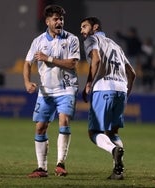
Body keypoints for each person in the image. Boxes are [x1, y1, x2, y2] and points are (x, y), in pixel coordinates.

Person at [23, 5, 80, 178]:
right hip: (45, 91)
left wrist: (48, 59)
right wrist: (27, 82)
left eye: (61, 19)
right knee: (40, 127)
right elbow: (27, 63)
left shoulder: (71, 39)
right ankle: (41, 168)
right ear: (47, 21)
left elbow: (73, 64)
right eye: (56, 19)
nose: (59, 22)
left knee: (64, 120)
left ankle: (60, 164)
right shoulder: (38, 41)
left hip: (66, 88)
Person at [80, 17, 136, 180]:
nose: (82, 30)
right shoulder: (115, 45)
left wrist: (89, 83)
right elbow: (132, 73)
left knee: (94, 132)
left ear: (95, 27)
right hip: (121, 89)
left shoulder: (92, 39)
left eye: (84, 26)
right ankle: (118, 171)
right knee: (112, 131)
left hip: (103, 88)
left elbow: (96, 59)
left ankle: (113, 150)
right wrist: (126, 93)